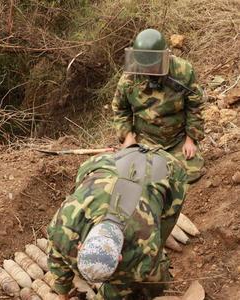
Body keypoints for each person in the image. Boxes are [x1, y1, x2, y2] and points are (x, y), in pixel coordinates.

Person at [47, 145, 188, 300]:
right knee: (85, 181)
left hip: (164, 169)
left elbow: (117, 291)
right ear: (80, 246)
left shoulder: (144, 248)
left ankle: (161, 264)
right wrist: (63, 293)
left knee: (159, 234)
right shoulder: (63, 226)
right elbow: (56, 257)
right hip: (106, 164)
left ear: (120, 257)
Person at [112, 28, 205, 183]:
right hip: (146, 140)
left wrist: (191, 139)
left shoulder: (183, 70)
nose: (149, 70)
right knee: (137, 177)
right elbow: (120, 109)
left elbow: (195, 104)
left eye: (153, 65)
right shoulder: (128, 80)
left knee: (189, 175)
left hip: (178, 139)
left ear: (164, 57)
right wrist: (128, 138)